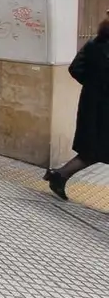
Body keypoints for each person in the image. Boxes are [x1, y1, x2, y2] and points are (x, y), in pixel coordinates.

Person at [45, 10, 109, 200]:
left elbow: (76, 68)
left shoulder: (93, 43)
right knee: (93, 150)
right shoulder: (95, 44)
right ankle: (59, 176)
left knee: (93, 150)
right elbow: (75, 68)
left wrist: (93, 87)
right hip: (100, 109)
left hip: (93, 105)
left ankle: (59, 176)